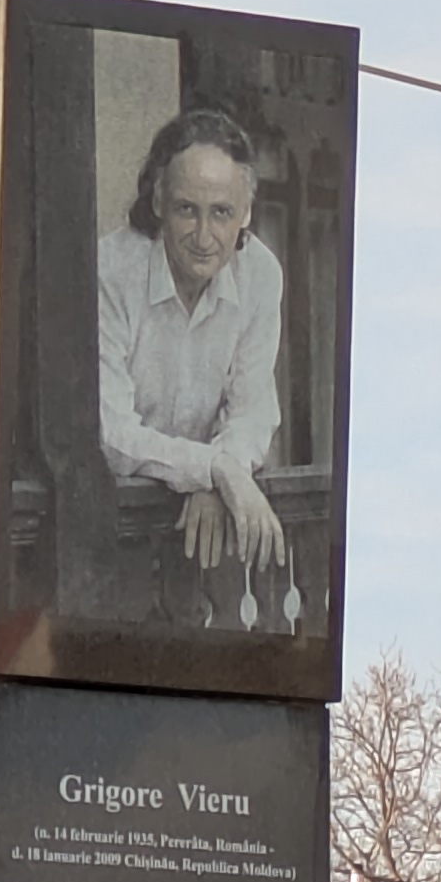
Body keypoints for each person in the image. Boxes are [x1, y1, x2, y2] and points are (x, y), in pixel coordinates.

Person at [93, 105, 294, 621]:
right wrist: (214, 469)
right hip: (105, 534)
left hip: (195, 540)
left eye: (222, 213)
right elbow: (111, 433)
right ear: (158, 199)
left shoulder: (262, 275)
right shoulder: (110, 270)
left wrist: (217, 475)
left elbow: (252, 412)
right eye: (187, 209)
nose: (204, 236)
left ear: (247, 211)